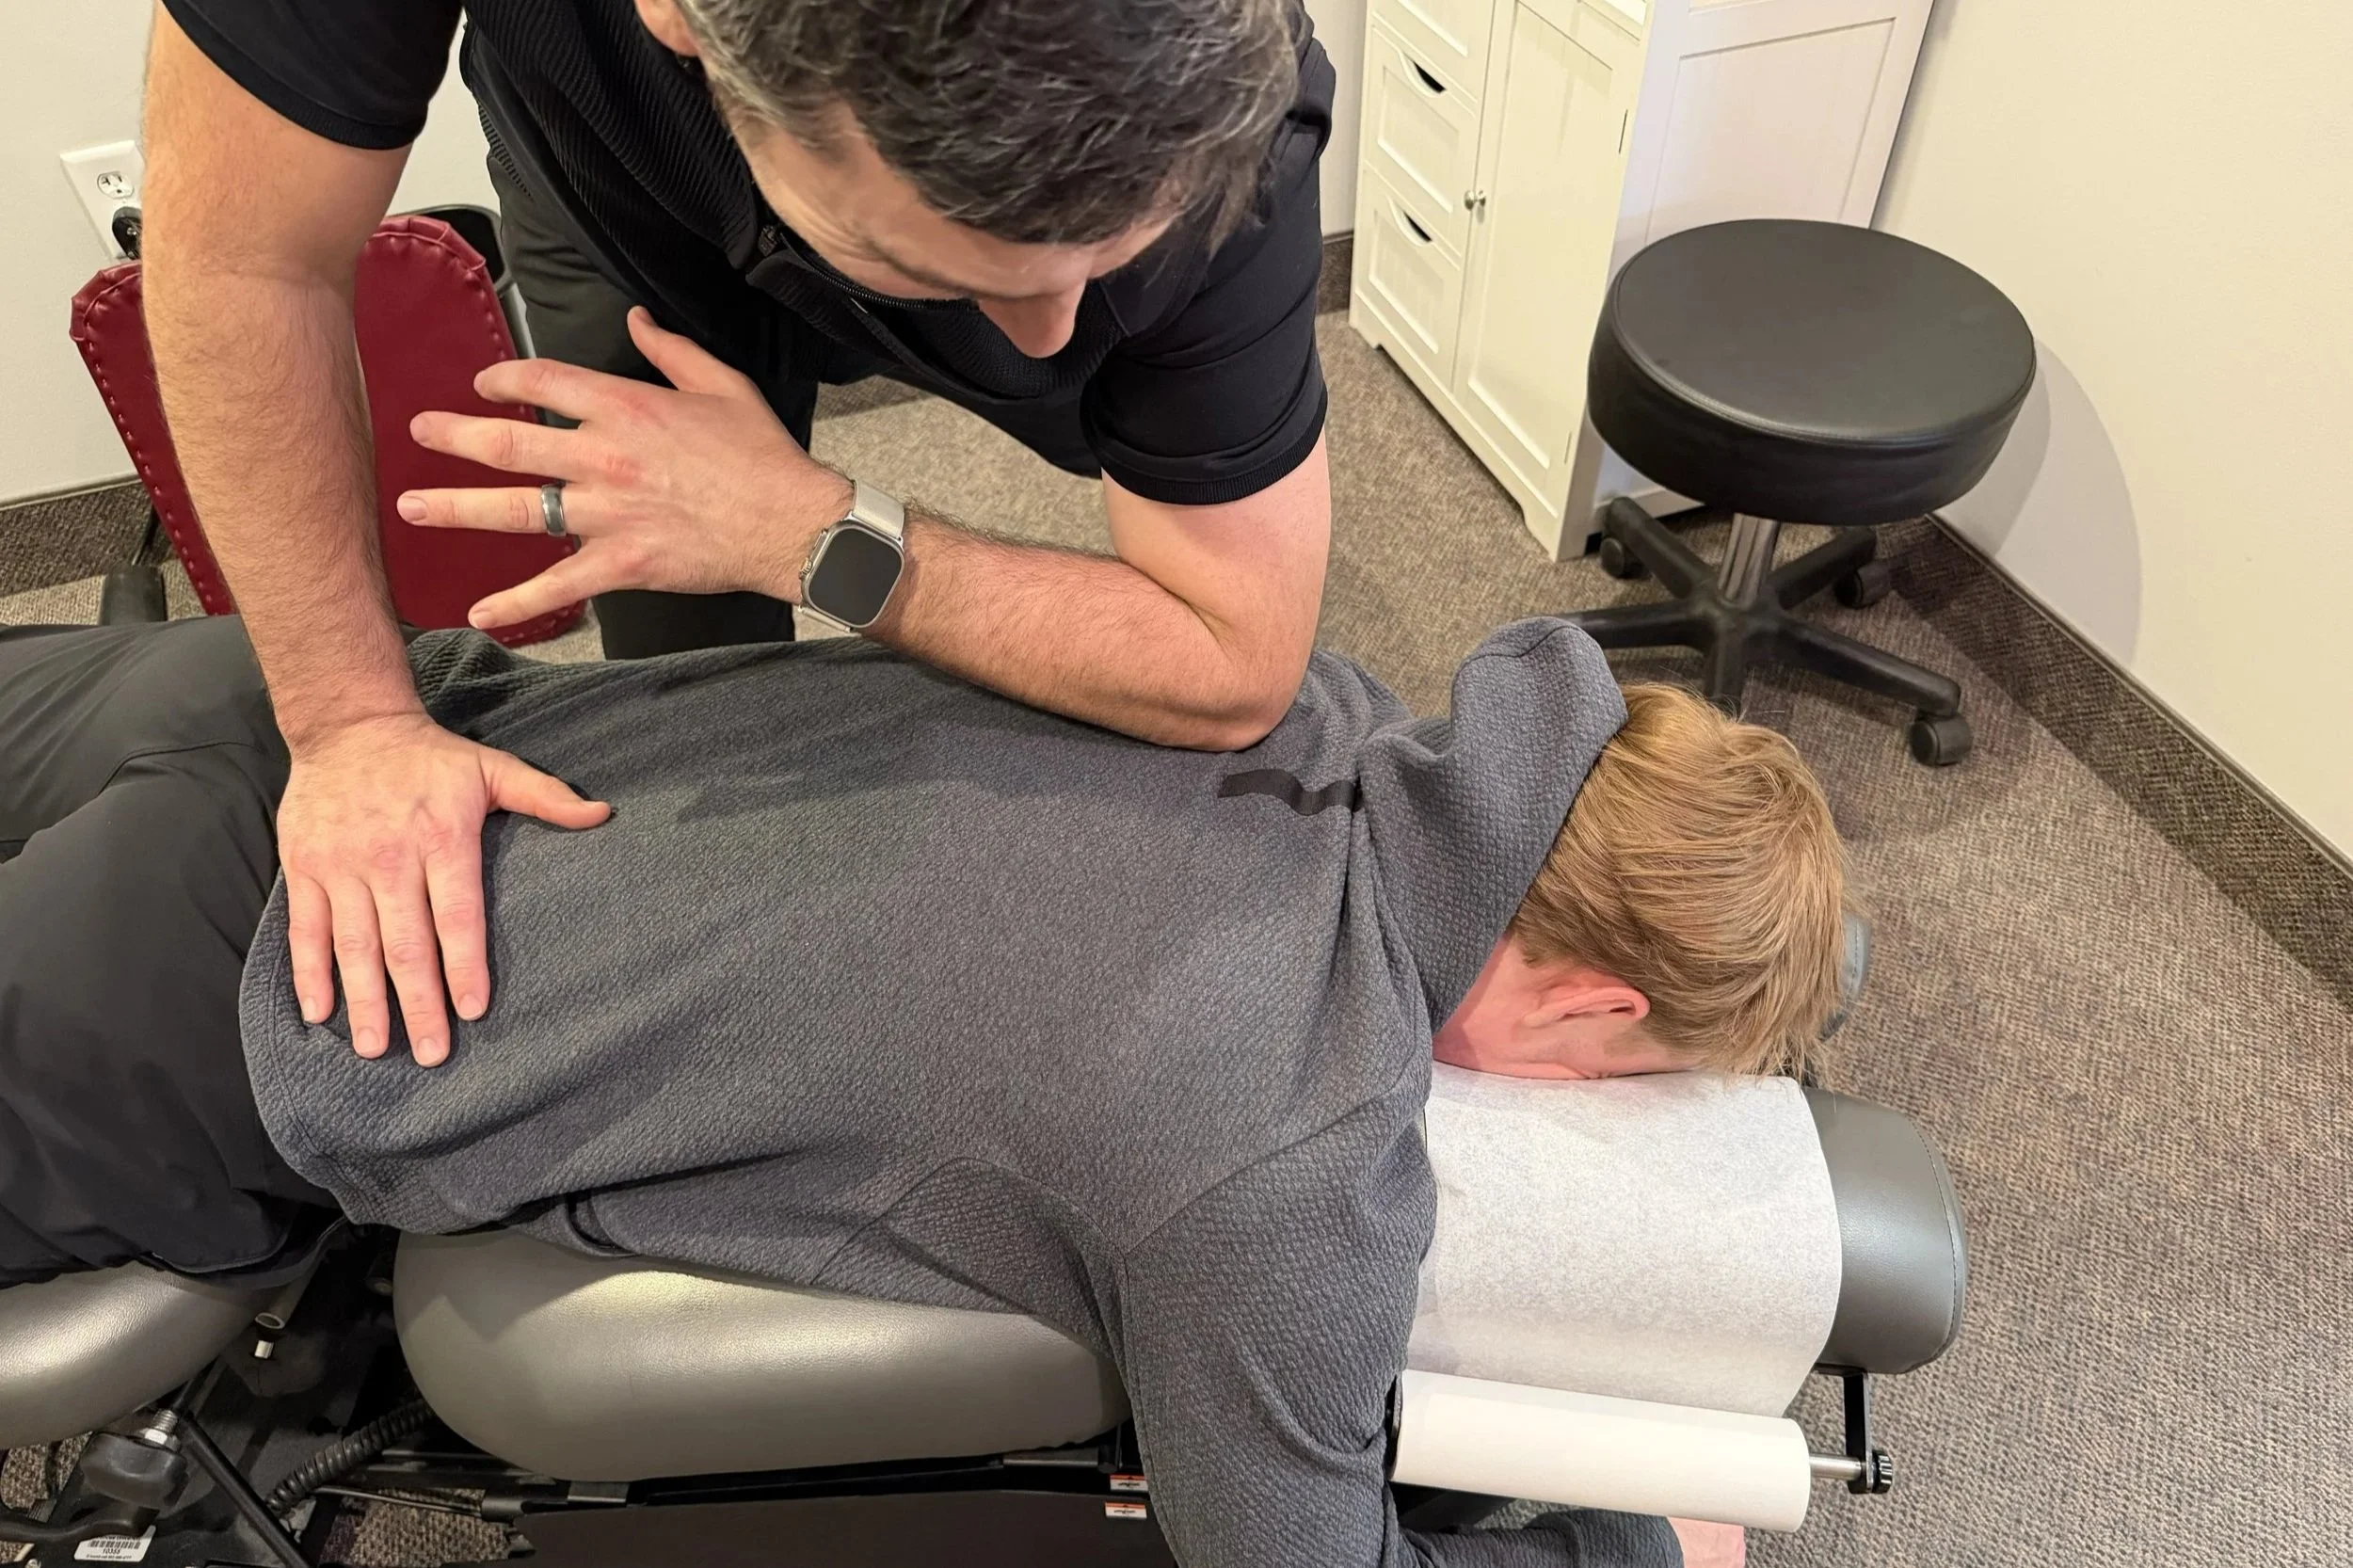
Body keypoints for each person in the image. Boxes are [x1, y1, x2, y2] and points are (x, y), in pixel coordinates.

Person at [0, 616, 1845, 1568]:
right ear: (1596, 1001)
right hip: (200, 1011)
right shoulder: (1285, 1158)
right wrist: (1628, 1544)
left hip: (309, 707)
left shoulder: (1282, 681)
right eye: (1628, 1073)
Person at [140, 0, 1338, 1091]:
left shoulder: (1231, 108)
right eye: (928, 263)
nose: (1049, 340)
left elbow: (1231, 661)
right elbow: (242, 259)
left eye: (1107, 256)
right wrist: (348, 722)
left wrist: (809, 533)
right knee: (688, 700)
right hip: (620, 186)